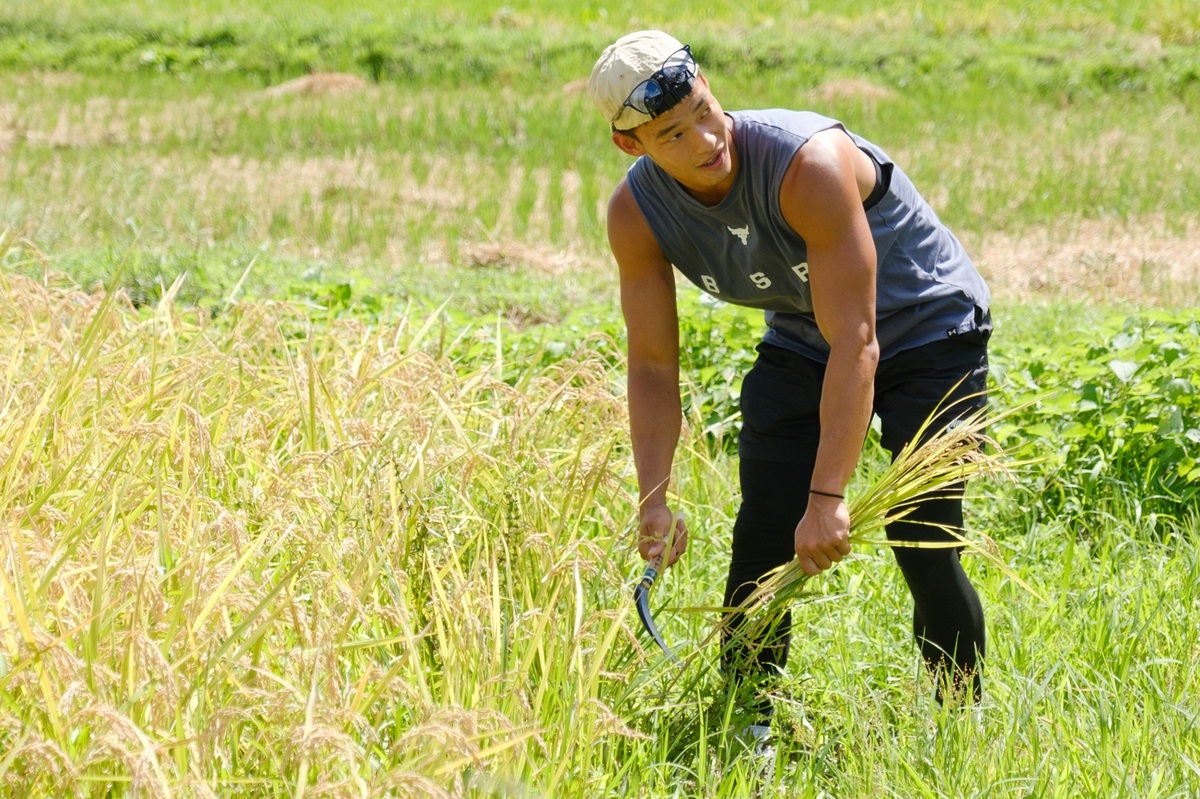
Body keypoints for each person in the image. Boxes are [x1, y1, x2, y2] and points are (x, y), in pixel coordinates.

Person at [587, 31, 993, 714]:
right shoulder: (638, 214)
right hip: (807, 334)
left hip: (929, 326)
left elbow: (860, 341)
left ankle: (962, 713)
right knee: (765, 531)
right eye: (673, 135)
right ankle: (749, 720)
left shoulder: (807, 163)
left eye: (706, 111)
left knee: (922, 533)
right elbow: (654, 364)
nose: (707, 141)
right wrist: (652, 497)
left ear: (711, 85)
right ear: (633, 146)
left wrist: (828, 494)